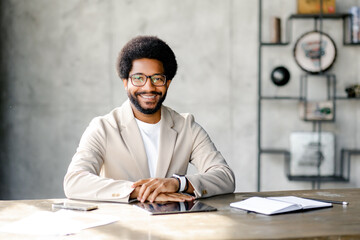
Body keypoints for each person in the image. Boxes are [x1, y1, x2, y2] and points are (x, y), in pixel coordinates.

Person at [64, 36, 235, 203]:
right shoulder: (103, 127)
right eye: (138, 78)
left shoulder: (186, 127)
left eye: (157, 79)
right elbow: (74, 182)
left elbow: (225, 177)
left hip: (175, 225)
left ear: (167, 83)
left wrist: (178, 184)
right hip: (120, 227)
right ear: (125, 82)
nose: (149, 87)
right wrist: (139, 192)